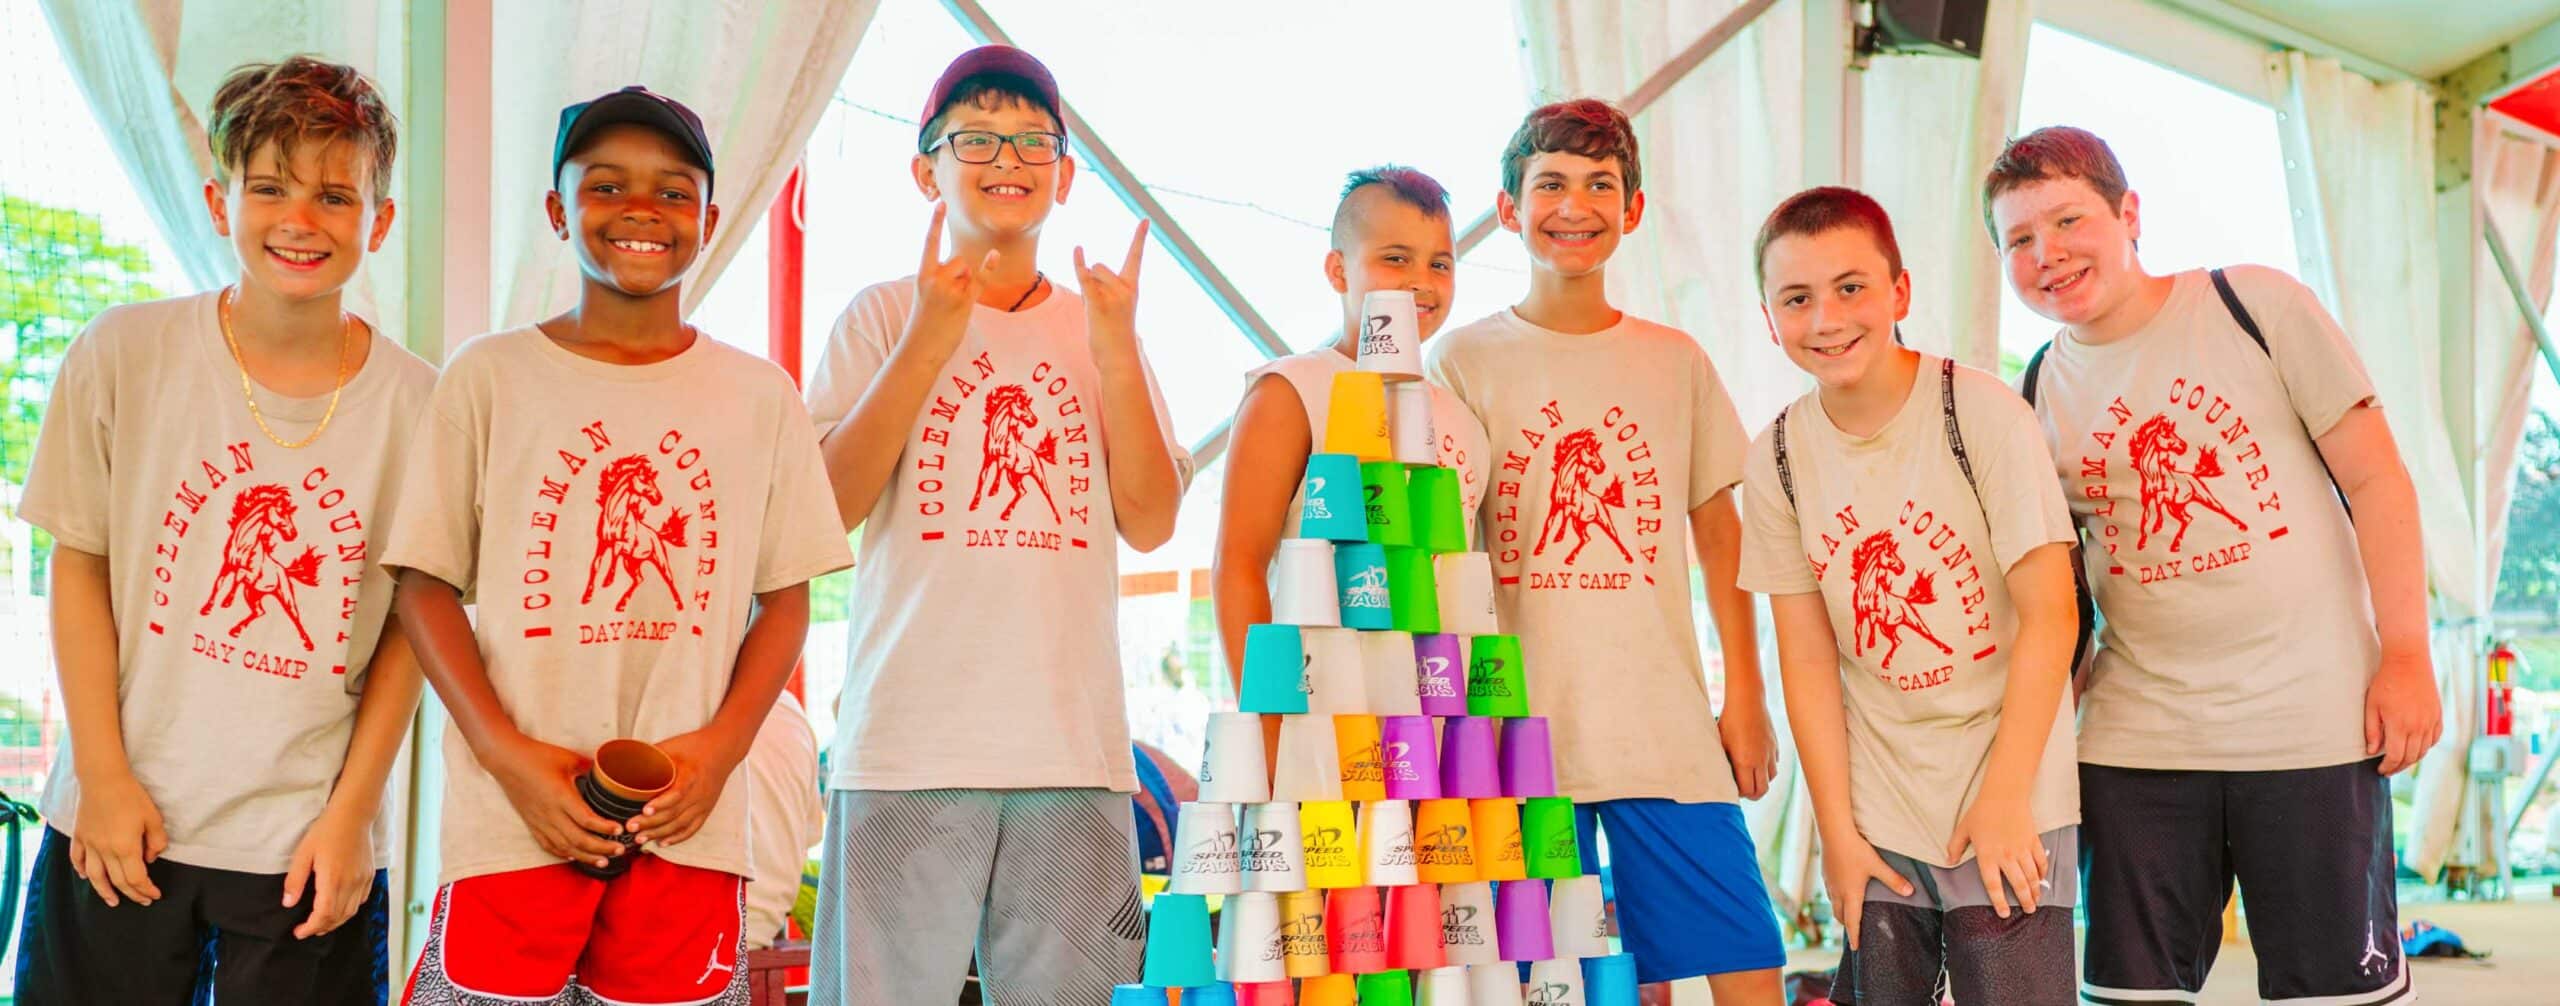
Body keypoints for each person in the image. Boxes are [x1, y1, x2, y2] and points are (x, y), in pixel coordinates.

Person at [383, 85, 853, 1004]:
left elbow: (787, 598)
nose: (642, 209)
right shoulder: (490, 375)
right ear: (558, 209)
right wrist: (506, 756)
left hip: (690, 825)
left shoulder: (759, 396)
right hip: (513, 822)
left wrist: (720, 751)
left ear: (710, 219)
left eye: (674, 191)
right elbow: (422, 583)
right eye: (606, 185)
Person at [1985, 125, 2441, 1006]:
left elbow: (2380, 479)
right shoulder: (2035, 390)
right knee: (2130, 997)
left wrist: (2409, 654)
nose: (2049, 254)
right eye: (2020, 240)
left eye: (2069, 220)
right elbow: (2061, 599)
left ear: (2130, 214)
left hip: (2311, 728)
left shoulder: (2253, 305)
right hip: (2135, 746)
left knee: (2333, 995)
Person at [12, 55, 429, 1003]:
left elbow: (413, 624)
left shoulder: (420, 406)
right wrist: (104, 782)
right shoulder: (124, 352)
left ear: (380, 219)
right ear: (218, 200)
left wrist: (353, 816)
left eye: (334, 195)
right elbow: (77, 565)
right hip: (119, 826)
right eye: (270, 187)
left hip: (302, 847)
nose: (299, 220)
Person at [802, 44, 1189, 1006]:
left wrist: (1112, 349)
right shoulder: (882, 316)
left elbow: (1151, 522)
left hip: (1073, 748)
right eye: (974, 136)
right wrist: (931, 339)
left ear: (1063, 175)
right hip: (904, 750)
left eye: (1031, 140)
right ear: (925, 167)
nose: (1005, 157)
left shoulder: (1106, 324)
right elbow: (825, 510)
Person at [1424, 98, 1785, 1003]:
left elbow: (1718, 532)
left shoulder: (1674, 360)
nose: (1573, 204)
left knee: (1747, 961)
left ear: (1632, 210)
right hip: (1518, 738)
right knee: (1577, 985)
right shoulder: (1461, 361)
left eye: (1599, 184)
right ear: (1509, 208)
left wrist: (1745, 693)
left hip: (1661, 724)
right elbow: (1443, 550)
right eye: (1550, 183)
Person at [1738, 186, 2080, 1004]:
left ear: (1900, 292)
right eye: (1797, 298)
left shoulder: (1984, 416)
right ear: (1769, 317)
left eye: (1851, 287)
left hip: (2008, 783)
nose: (1826, 318)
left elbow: (2051, 614)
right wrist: (1835, 831)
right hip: (1880, 805)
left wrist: (2006, 799)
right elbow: (1809, 659)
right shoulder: (1777, 456)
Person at [1211, 163, 1490, 701]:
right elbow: (1238, 566)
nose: (1420, 281)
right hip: (1317, 728)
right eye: (1395, 258)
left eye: (1440, 264)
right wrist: (1269, 732)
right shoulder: (1291, 391)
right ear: (1338, 271)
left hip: (1432, 743)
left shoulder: (1464, 423)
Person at [742, 688, 824, 950]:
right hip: (761, 926)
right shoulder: (787, 707)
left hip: (682, 935)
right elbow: (810, 835)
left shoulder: (664, 695)